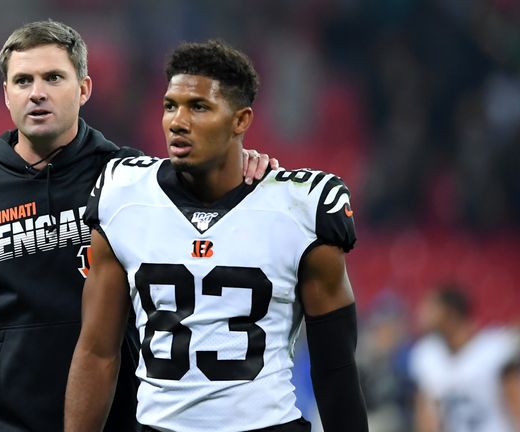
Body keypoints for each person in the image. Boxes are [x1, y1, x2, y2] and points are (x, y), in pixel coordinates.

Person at [0, 20, 276, 432]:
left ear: (84, 89)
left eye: (53, 78)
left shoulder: (134, 180)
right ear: (7, 94)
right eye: (23, 80)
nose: (37, 92)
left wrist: (243, 164)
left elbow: (212, 213)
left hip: (117, 422)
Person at [65, 40, 368, 432]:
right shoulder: (123, 196)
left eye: (199, 107)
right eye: (170, 105)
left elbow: (336, 366)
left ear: (241, 121)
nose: (177, 121)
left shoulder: (300, 208)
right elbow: (96, 352)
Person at [409, 284, 520, 432]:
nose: (423, 314)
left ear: (451, 313)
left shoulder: (494, 350)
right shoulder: (426, 355)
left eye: (432, 307)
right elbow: (426, 417)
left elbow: (516, 405)